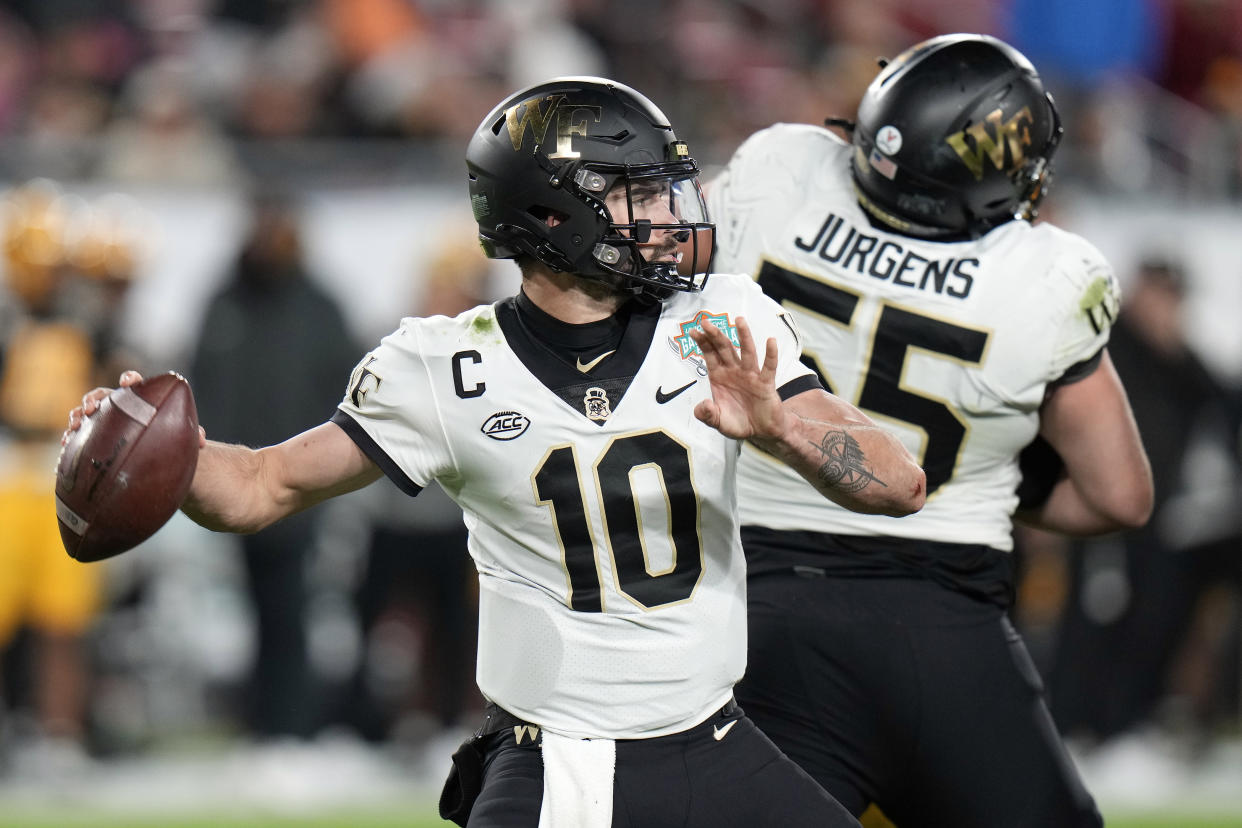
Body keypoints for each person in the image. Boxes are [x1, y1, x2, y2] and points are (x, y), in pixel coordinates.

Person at [67, 76, 925, 827]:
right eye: (639, 195)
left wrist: (784, 427)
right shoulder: (440, 368)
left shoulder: (722, 319)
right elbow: (258, 487)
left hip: (716, 740)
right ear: (555, 214)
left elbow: (899, 484)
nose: (671, 218)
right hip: (558, 763)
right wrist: (160, 449)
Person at [706, 34, 1154, 828]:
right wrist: (989, 478)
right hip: (939, 616)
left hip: (748, 604)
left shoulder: (781, 171)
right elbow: (1120, 495)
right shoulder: (1049, 275)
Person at [188, 190, 361, 740]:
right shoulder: (223, 302)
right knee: (252, 611)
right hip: (230, 484)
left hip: (304, 488)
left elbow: (351, 395)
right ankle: (261, 725)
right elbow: (198, 389)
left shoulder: (320, 306)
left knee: (293, 609)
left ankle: (291, 727)